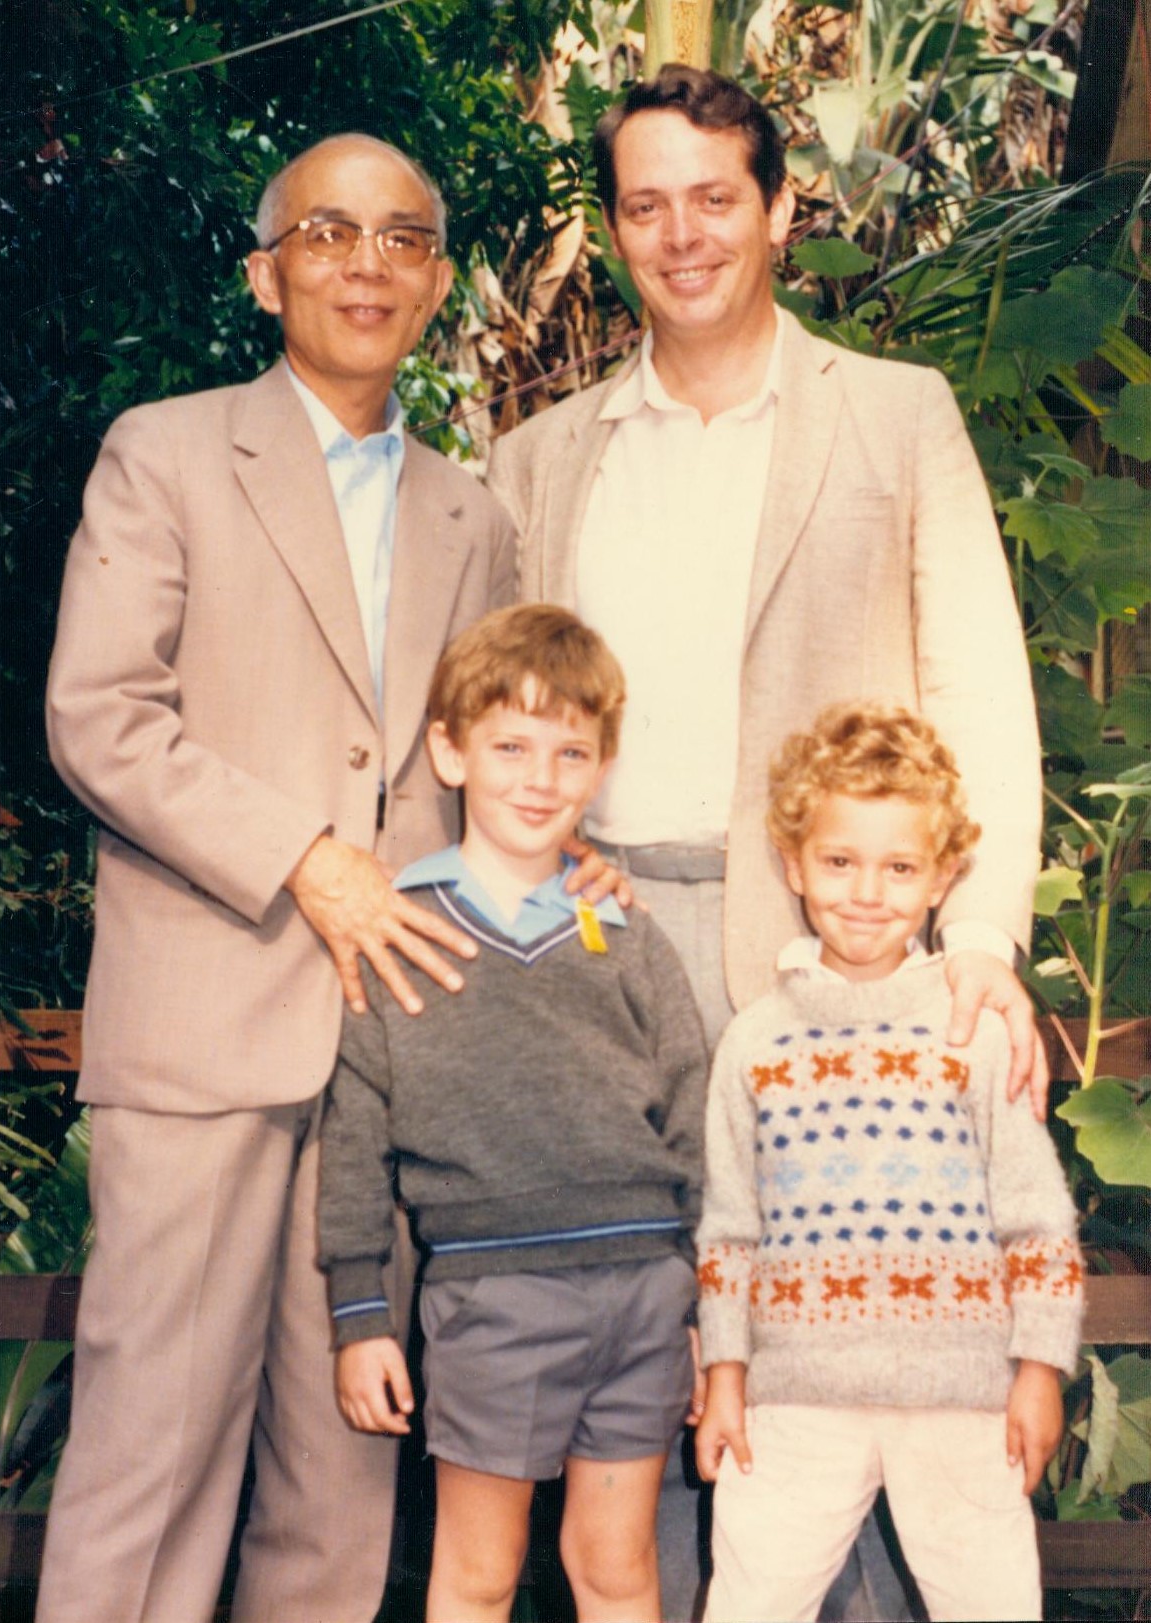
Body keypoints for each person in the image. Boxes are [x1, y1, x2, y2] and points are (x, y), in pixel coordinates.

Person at [486, 63, 1047, 1618]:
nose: (681, 236)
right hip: (598, 950)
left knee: (859, 1344)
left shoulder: (892, 412)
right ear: (616, 230)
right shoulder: (542, 456)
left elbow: (980, 696)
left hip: (835, 960)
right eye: (646, 205)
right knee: (638, 1345)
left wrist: (979, 945)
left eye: (713, 199)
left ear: (779, 209)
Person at [39, 134, 520, 1623]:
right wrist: (304, 857)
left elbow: (493, 762)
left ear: (438, 284)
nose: (364, 262)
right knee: (152, 1461)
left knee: (339, 1490)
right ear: (267, 273)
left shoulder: (474, 513)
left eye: (401, 238)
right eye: (326, 232)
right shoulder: (164, 451)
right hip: (205, 1028)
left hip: (388, 1050)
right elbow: (98, 713)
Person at [317, 603, 709, 1623]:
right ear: (448, 752)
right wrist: (360, 1316)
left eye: (569, 751)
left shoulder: (623, 929)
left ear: (600, 767)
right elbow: (355, 1136)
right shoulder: (399, 925)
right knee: (478, 1578)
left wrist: (711, 1304)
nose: (540, 778)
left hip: (645, 1295)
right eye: (509, 746)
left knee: (618, 1570)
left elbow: (694, 1115)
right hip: (493, 1299)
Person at [694, 702, 1083, 1621]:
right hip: (792, 1403)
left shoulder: (974, 1032)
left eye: (899, 866)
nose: (866, 892)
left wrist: (1037, 1367)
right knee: (748, 1605)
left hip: (961, 1400)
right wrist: (724, 1375)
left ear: (943, 877)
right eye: (838, 861)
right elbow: (728, 1227)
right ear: (792, 862)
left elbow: (1036, 1217)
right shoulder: (753, 1041)